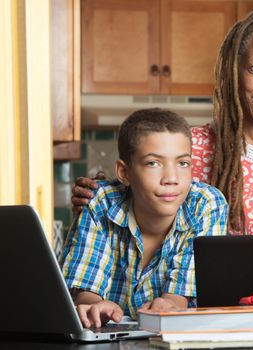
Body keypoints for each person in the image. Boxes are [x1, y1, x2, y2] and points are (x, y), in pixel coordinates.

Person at [71, 9, 253, 235]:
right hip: (232, 298)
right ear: (235, 70)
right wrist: (104, 199)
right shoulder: (196, 147)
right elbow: (149, 214)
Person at [61, 108, 228, 328]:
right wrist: (95, 307)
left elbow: (178, 298)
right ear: (124, 173)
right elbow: (86, 291)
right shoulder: (99, 201)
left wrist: (168, 306)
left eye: (183, 163)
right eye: (153, 163)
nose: (171, 179)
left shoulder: (206, 204)